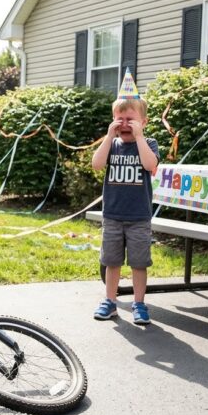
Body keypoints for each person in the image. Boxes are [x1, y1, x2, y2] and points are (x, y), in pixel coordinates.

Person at [90, 69, 159, 325]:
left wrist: (139, 136)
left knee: (139, 263)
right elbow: (97, 165)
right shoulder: (112, 144)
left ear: (144, 122)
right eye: (119, 119)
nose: (124, 124)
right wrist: (109, 136)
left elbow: (150, 164)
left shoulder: (149, 143)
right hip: (113, 216)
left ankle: (139, 303)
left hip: (139, 216)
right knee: (111, 261)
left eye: (131, 119)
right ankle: (110, 301)